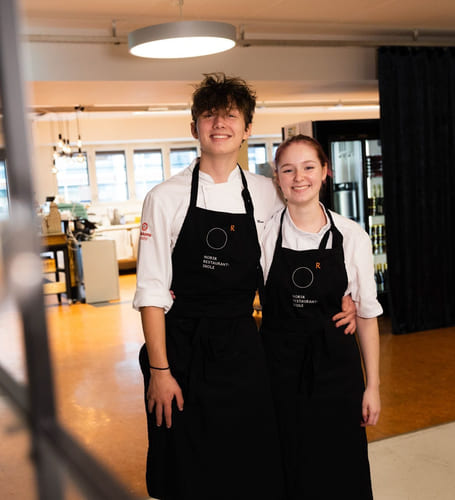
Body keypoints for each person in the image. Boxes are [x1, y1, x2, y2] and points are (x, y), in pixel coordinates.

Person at [132, 74, 356, 499]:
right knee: (187, 465)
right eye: (209, 115)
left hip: (242, 347)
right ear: (194, 126)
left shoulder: (267, 192)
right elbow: (151, 290)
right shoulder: (164, 197)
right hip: (180, 348)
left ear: (247, 128)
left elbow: (313, 231)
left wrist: (348, 292)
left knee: (250, 460)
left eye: (230, 116)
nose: (220, 124)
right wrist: (160, 371)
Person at [259, 134, 381, 500]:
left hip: (336, 371)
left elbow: (367, 314)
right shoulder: (263, 234)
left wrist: (372, 386)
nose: (299, 178)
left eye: (309, 167)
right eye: (288, 169)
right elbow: (233, 289)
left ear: (325, 172)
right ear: (277, 178)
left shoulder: (352, 235)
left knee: (341, 467)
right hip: (278, 371)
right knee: (288, 466)